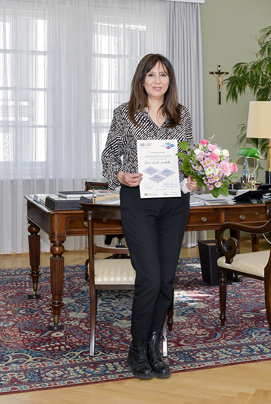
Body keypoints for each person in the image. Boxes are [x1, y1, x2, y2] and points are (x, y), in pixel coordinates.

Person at [101, 53, 197, 380]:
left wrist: (193, 176)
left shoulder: (182, 115)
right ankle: (137, 345)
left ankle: (155, 344)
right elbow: (110, 155)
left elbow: (188, 156)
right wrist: (121, 176)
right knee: (150, 279)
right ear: (141, 79)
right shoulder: (124, 114)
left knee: (167, 279)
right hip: (138, 203)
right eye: (151, 74)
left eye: (164, 75)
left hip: (174, 204)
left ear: (170, 80)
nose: (158, 80)